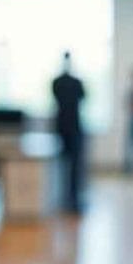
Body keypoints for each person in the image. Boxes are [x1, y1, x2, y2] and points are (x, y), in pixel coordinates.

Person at [52, 52, 86, 213]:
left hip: (66, 127)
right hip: (69, 127)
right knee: (70, 165)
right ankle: (68, 197)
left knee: (72, 166)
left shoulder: (57, 82)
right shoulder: (71, 82)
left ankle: (71, 197)